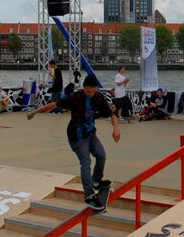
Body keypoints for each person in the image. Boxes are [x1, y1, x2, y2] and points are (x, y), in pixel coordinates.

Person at [28, 74, 120, 211]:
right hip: (76, 137)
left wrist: (116, 128)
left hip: (90, 134)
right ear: (84, 88)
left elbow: (112, 115)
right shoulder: (76, 97)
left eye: (93, 91)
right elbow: (54, 104)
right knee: (86, 162)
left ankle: (96, 180)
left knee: (101, 155)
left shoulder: (99, 97)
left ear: (96, 89)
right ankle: (89, 195)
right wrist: (35, 111)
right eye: (88, 91)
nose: (90, 94)